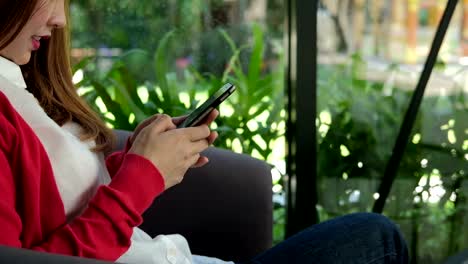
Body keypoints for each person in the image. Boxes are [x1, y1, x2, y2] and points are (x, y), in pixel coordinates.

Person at [0, 0, 409, 263]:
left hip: (168, 255)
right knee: (377, 238)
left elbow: (50, 195)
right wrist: (140, 180)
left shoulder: (15, 81)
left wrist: (140, 159)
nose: (60, 19)